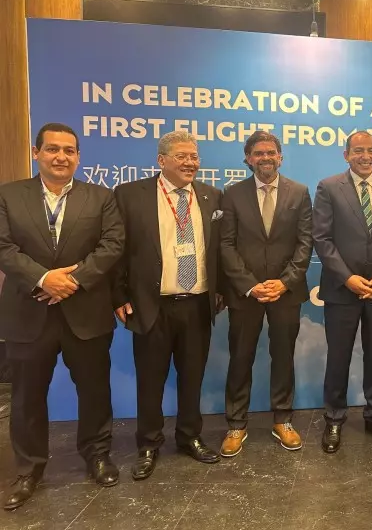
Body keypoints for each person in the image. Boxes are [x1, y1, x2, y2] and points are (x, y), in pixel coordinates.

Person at [0, 123, 124, 510]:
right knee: (26, 397)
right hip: (28, 312)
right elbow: (4, 246)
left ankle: (97, 454)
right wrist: (43, 278)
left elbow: (113, 244)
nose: (61, 157)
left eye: (69, 151)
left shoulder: (101, 197)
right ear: (36, 153)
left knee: (95, 391)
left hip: (86, 311)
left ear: (78, 157)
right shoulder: (8, 195)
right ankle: (28, 469)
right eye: (53, 149)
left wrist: (72, 281)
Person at [113, 130, 224, 480]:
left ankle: (190, 436)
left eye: (194, 156)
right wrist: (118, 296)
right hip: (152, 305)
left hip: (197, 304)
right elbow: (116, 249)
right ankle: (148, 444)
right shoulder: (131, 195)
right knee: (151, 379)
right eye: (182, 156)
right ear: (161, 161)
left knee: (193, 377)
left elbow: (220, 249)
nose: (190, 163)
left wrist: (219, 292)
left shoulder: (211, 196)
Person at [219, 132, 312, 455]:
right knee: (240, 357)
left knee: (283, 357)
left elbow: (305, 243)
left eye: (271, 152)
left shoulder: (299, 193)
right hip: (246, 294)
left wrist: (285, 282)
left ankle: (282, 420)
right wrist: (249, 284)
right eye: (258, 153)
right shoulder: (232, 194)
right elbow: (226, 245)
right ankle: (236, 424)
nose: (265, 158)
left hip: (286, 292)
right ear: (248, 159)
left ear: (280, 157)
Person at [312, 131, 372, 453]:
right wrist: (348, 278)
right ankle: (334, 418)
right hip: (342, 289)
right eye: (358, 151)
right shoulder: (328, 187)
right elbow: (322, 238)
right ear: (346, 154)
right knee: (338, 357)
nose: (366, 156)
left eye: (371, 150)